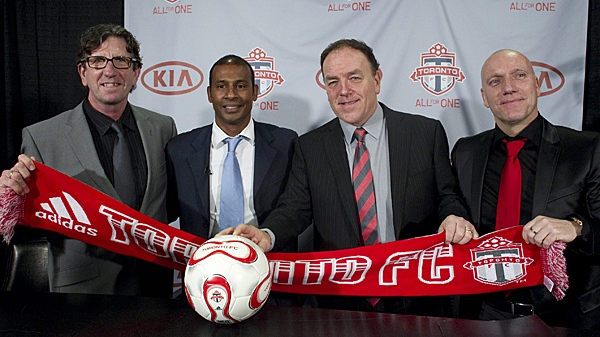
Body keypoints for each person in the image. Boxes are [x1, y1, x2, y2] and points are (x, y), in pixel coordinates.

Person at [222, 39, 474, 316]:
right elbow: (294, 209)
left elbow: (448, 196)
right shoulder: (310, 146)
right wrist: (266, 235)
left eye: (354, 78)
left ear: (376, 80)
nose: (344, 91)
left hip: (416, 294)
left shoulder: (425, 133)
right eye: (333, 82)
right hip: (340, 300)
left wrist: (454, 217)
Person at [0, 24, 177, 297]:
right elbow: (24, 218)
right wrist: (9, 195)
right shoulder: (42, 136)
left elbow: (170, 203)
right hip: (84, 293)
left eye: (121, 60)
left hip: (154, 286)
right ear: (83, 73)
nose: (110, 71)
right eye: (97, 61)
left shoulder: (163, 128)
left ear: (136, 73)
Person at [452, 49, 600, 329]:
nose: (508, 87)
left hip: (562, 318)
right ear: (484, 97)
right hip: (481, 313)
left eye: (518, 76)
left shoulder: (586, 149)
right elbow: (452, 206)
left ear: (536, 85)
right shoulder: (466, 151)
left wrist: (576, 227)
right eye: (495, 81)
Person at [164, 55, 298, 304]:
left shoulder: (287, 143)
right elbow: (165, 211)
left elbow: (296, 208)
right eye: (221, 86)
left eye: (241, 85)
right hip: (202, 283)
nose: (231, 94)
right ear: (209, 93)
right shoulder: (179, 149)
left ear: (255, 91)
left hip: (273, 282)